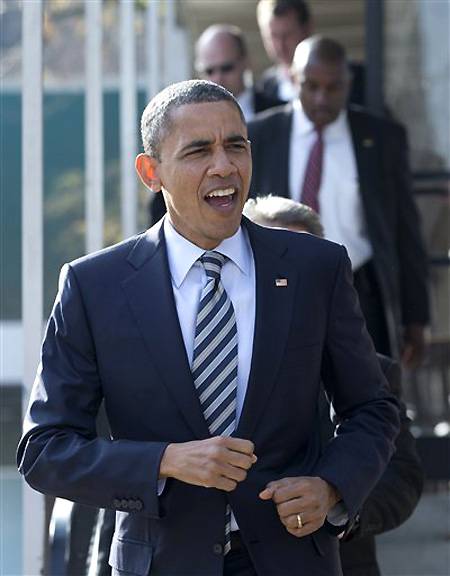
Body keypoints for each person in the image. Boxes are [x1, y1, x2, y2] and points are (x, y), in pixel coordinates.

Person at [18, 80, 399, 576]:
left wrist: (331, 486)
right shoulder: (94, 287)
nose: (224, 166)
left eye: (235, 146)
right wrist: (165, 461)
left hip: (291, 558)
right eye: (198, 151)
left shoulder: (315, 268)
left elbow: (372, 407)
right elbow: (45, 450)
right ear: (151, 172)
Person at [244, 195, 424, 576]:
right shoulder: (210, 361)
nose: (286, 278)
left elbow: (402, 479)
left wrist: (335, 500)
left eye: (300, 264)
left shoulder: (374, 372)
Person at [248, 36, 430, 369]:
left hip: (359, 291)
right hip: (282, 289)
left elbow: (407, 231)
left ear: (348, 83)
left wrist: (416, 319)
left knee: (370, 388)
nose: (322, 98)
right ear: (294, 79)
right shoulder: (260, 136)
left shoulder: (381, 138)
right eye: (311, 86)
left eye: (333, 87)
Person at [256, 0, 366, 106]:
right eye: (273, 36)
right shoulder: (265, 88)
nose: (281, 45)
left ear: (307, 29)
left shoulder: (356, 78)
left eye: (288, 35)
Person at [195, 24, 284, 122]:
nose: (218, 79)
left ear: (246, 62)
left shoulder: (279, 112)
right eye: (209, 71)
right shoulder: (194, 121)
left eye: (226, 68)